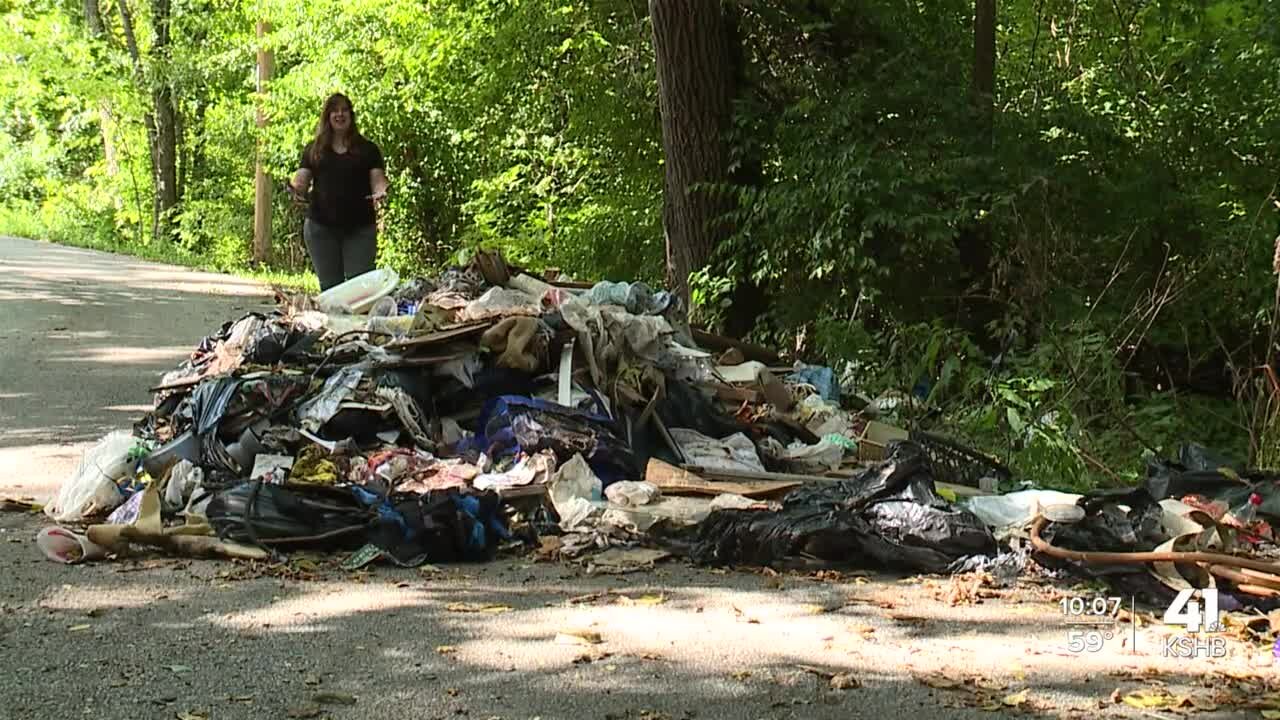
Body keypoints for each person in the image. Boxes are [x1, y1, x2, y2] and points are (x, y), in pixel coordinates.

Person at [288, 93, 389, 291]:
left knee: (359, 288)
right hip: (321, 228)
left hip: (360, 228)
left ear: (351, 115)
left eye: (344, 110)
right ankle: (332, 322)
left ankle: (356, 323)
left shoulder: (368, 149)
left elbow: (378, 180)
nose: (339, 114)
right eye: (335, 110)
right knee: (330, 288)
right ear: (327, 116)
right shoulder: (314, 149)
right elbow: (301, 180)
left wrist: (381, 191)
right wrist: (295, 189)